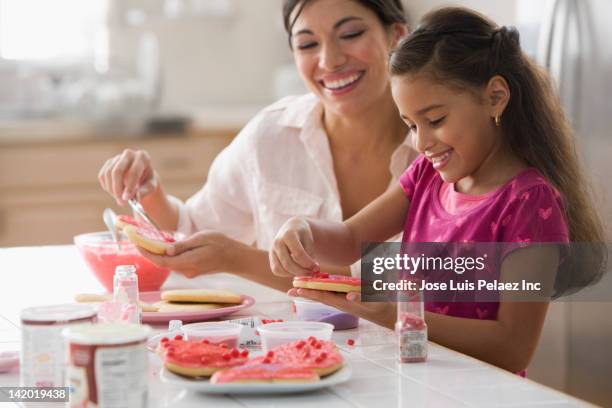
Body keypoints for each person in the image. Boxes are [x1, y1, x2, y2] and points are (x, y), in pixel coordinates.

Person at [270, 6, 605, 372]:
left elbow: (512, 347)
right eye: (411, 125)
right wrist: (302, 229)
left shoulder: (529, 203)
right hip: (419, 382)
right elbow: (350, 238)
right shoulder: (427, 176)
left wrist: (392, 313)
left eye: (435, 120)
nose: (421, 142)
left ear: (495, 97)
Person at [97, 0, 416, 291]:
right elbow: (189, 235)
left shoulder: (440, 148)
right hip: (292, 348)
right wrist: (150, 193)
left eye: (351, 34)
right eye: (307, 44)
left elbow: (447, 277)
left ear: (397, 36)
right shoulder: (271, 136)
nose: (329, 60)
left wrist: (238, 259)